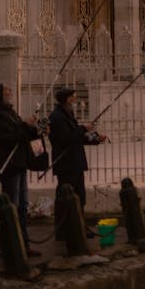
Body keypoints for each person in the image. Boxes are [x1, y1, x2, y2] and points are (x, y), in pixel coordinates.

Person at [0, 82, 41, 257]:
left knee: (22, 206)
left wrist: (33, 128)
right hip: (9, 166)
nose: (10, 92)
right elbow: (8, 139)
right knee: (12, 207)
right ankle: (10, 247)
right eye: (5, 90)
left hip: (20, 163)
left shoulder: (9, 112)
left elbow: (21, 135)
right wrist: (24, 126)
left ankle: (23, 243)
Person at [48, 86, 106, 237]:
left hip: (75, 162)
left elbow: (77, 137)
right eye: (73, 97)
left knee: (80, 197)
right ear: (68, 99)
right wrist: (83, 128)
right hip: (66, 164)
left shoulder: (68, 114)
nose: (75, 100)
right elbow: (67, 139)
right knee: (65, 198)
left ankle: (79, 227)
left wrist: (95, 138)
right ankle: (63, 230)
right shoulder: (57, 117)